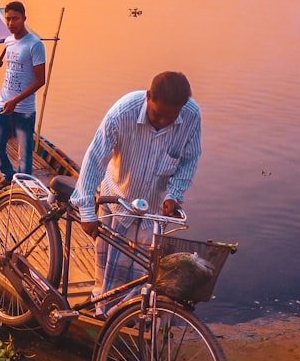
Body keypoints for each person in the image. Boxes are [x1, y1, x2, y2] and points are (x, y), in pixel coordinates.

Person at [70, 71, 202, 306]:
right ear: (148, 96)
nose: (162, 122)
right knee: (109, 274)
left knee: (144, 272)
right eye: (157, 115)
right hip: (118, 199)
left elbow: (190, 159)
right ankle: (104, 310)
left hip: (155, 206)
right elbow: (95, 159)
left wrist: (174, 194)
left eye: (170, 119)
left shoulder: (192, 116)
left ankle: (131, 317)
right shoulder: (123, 112)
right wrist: (87, 211)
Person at [0, 1, 46, 190]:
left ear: (24, 19)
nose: (11, 23)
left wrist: (16, 100)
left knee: (25, 155)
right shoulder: (8, 42)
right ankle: (8, 176)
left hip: (24, 110)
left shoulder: (35, 45)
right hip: (4, 104)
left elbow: (40, 80)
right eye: (8, 19)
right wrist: (8, 100)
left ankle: (24, 190)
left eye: (15, 19)